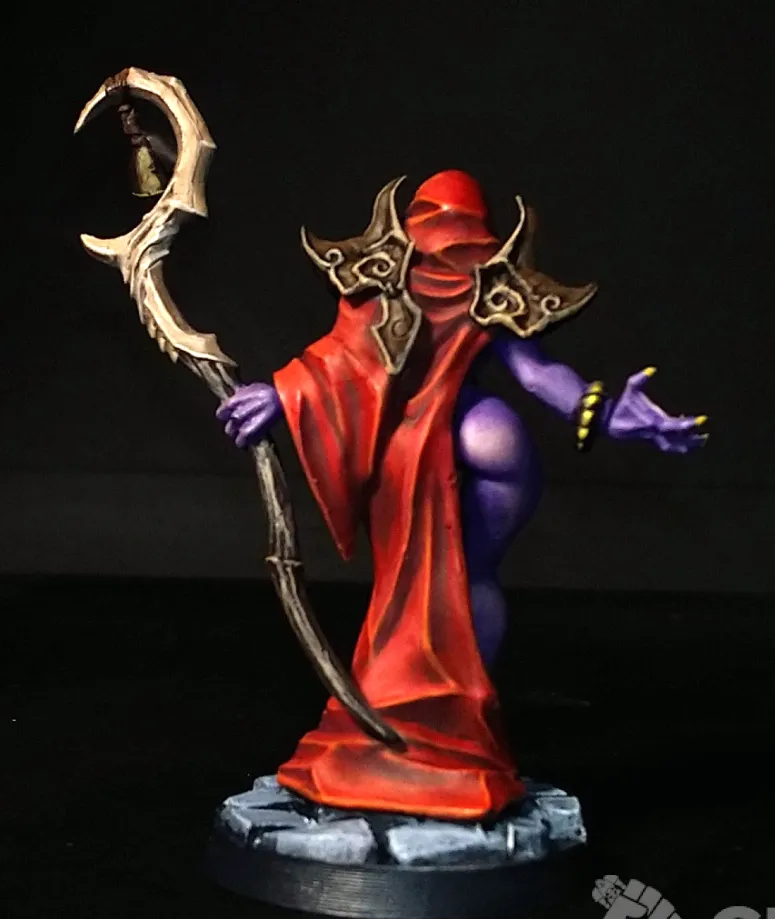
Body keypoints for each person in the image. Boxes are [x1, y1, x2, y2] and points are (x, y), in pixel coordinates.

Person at [216, 169, 706, 819]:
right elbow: (534, 375)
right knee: (462, 584)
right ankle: (458, 733)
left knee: (429, 591)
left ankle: (442, 739)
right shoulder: (467, 282)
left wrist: (281, 393)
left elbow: (342, 362)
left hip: (428, 450)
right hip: (487, 436)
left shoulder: (410, 280)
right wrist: (607, 412)